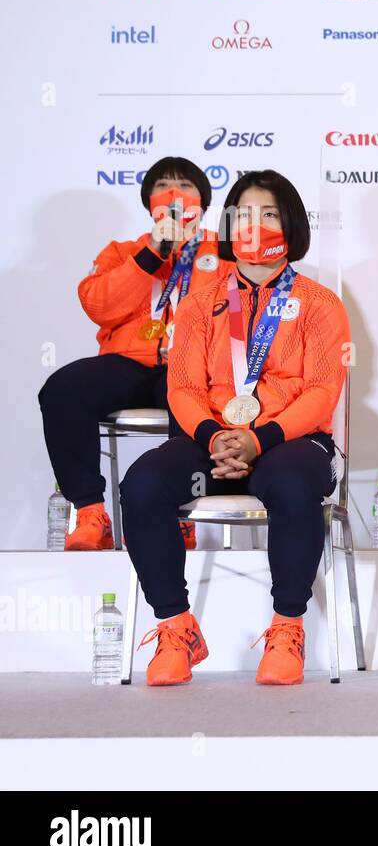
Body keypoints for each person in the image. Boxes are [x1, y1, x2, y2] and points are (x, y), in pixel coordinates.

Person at [119, 170, 350, 686]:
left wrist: (258, 437)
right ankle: (175, 627)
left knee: (292, 484)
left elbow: (321, 391)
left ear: (290, 224)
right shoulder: (203, 303)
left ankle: (287, 629)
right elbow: (181, 386)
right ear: (227, 225)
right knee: (143, 482)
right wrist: (211, 435)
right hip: (211, 440)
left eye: (268, 214)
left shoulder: (320, 303)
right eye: (243, 214)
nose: (254, 224)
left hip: (290, 440)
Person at [39, 157, 223, 550]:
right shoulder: (122, 252)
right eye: (164, 186)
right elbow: (98, 307)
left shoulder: (225, 254)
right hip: (127, 363)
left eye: (186, 187)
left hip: (191, 366)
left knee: (189, 399)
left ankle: (180, 513)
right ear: (148, 202)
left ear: (204, 202)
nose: (175, 195)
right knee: (63, 389)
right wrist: (153, 252)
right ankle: (91, 512)